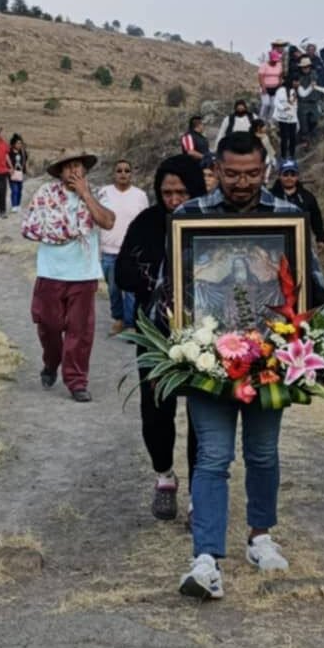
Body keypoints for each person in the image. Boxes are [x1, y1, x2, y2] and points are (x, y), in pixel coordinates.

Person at [176, 132, 324, 600]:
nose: (241, 183)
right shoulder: (189, 217)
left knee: (263, 453)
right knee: (213, 456)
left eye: (251, 173)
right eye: (232, 173)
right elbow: (174, 285)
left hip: (268, 360)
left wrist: (304, 332)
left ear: (265, 170)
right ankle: (206, 557)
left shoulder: (287, 217)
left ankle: (260, 536)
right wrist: (183, 335)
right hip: (209, 361)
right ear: (216, 170)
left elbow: (310, 282)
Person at [115, 155, 206, 523]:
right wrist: (153, 282)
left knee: (204, 414)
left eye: (181, 192)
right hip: (155, 335)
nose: (173, 200)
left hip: (204, 335)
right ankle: (165, 476)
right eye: (166, 192)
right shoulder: (146, 223)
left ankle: (202, 493)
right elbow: (123, 271)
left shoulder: (208, 223)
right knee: (155, 412)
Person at [21, 151, 115, 402]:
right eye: (68, 167)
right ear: (60, 173)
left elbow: (107, 222)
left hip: (83, 273)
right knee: (48, 325)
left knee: (80, 331)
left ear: (85, 171)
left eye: (78, 166)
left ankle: (76, 381)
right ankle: (51, 362)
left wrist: (85, 194)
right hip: (51, 271)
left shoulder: (98, 194)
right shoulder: (45, 194)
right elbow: (30, 227)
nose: (74, 171)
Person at [98, 160, 149, 335]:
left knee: (130, 289)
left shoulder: (140, 196)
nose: (123, 174)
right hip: (109, 250)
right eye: (119, 170)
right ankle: (118, 318)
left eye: (127, 170)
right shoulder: (103, 193)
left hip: (131, 251)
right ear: (114, 173)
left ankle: (130, 324)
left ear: (131, 174)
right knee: (113, 288)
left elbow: (145, 222)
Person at [271, 159, 324, 251]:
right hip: (275, 242)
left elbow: (316, 218)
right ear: (279, 176)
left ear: (297, 176)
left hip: (301, 242)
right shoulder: (270, 196)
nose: (289, 178)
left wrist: (320, 238)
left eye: (293, 174)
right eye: (285, 174)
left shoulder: (307, 197)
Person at [272, 77, 299, 161]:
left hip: (292, 118)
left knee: (292, 138)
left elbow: (295, 105)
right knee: (285, 138)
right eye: (294, 81)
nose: (295, 83)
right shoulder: (280, 90)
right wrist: (283, 108)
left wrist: (296, 118)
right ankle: (283, 156)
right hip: (283, 118)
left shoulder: (293, 91)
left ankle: (292, 155)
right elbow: (276, 102)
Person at [296, 58, 321, 147]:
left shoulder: (314, 74)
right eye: (304, 67)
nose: (305, 68)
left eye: (307, 67)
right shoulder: (298, 76)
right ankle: (305, 142)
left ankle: (312, 138)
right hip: (302, 103)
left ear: (310, 67)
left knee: (314, 119)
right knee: (303, 124)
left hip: (313, 101)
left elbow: (317, 84)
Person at [257, 51, 284, 121]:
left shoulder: (279, 65)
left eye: (276, 60)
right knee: (266, 104)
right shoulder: (264, 65)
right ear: (270, 59)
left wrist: (280, 84)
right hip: (265, 87)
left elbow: (280, 75)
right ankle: (261, 120)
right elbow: (260, 77)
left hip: (275, 88)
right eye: (273, 60)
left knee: (274, 105)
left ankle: (270, 120)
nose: (275, 62)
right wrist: (263, 87)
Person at [7, 133, 28, 213]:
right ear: (13, 144)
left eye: (20, 143)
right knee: (14, 189)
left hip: (20, 173)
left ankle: (18, 204)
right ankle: (14, 205)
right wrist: (9, 169)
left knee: (19, 189)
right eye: (18, 143)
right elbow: (6, 161)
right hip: (12, 173)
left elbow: (25, 159)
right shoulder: (9, 152)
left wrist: (24, 169)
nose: (19, 145)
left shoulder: (23, 152)